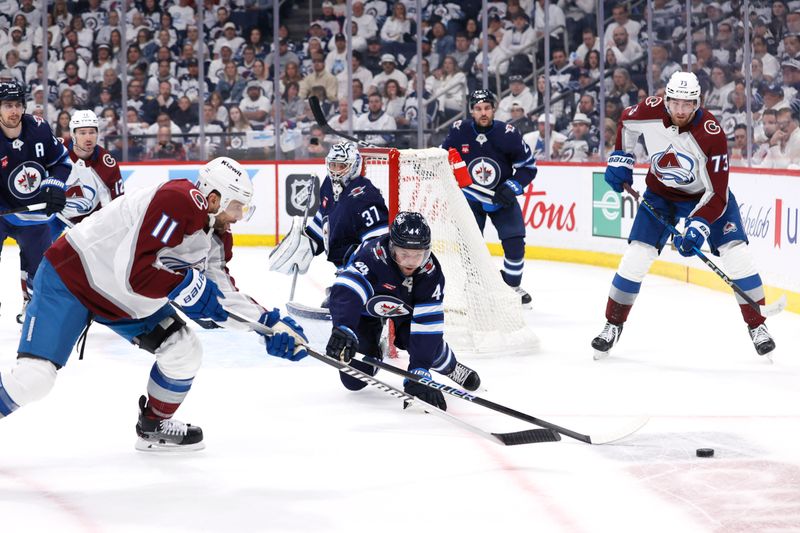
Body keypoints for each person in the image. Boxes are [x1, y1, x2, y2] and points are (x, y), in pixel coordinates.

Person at [0, 157, 309, 451]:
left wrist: (269, 325)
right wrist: (188, 289)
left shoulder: (216, 236)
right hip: (72, 277)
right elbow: (136, 273)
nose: (239, 216)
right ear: (213, 199)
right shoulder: (178, 200)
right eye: (236, 206)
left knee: (184, 349)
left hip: (122, 298)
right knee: (34, 379)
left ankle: (153, 426)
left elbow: (223, 296)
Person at [592, 71, 776, 358]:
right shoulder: (651, 109)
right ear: (666, 99)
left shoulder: (711, 134)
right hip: (661, 195)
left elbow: (717, 192)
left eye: (687, 104)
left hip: (706, 197)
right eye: (675, 102)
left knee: (736, 253)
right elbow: (626, 121)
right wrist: (621, 160)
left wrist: (697, 227)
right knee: (636, 256)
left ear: (697, 102)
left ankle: (757, 325)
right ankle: (612, 324)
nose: (680, 110)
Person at [324, 211, 481, 410]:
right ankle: (375, 350)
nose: (410, 262)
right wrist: (344, 327)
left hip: (406, 313)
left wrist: (420, 370)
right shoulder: (372, 255)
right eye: (404, 254)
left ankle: (450, 367)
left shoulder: (431, 272)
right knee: (353, 381)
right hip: (367, 312)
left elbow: (427, 325)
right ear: (392, 247)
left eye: (418, 255)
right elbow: (347, 289)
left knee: (423, 347)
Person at [440, 89, 538, 305]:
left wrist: (512, 186)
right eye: (478, 109)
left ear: (494, 109)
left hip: (501, 199)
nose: (483, 113)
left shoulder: (509, 134)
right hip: (471, 199)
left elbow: (528, 168)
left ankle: (512, 286)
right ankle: (475, 286)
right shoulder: (459, 131)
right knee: (470, 245)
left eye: (486, 108)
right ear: (471, 111)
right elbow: (442, 159)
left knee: (515, 243)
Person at [269, 142, 389, 305]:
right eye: (333, 165)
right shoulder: (328, 185)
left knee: (337, 308)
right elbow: (324, 215)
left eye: (342, 166)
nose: (336, 171)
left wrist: (357, 273)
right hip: (343, 270)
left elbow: (378, 243)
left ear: (354, 166)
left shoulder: (366, 196)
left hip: (366, 277)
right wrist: (310, 241)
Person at [0, 81, 71, 322]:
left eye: (18, 105)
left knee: (39, 269)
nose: (14, 111)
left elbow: (61, 161)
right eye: (8, 105)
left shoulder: (38, 128)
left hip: (33, 214)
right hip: (2, 211)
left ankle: (32, 306)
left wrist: (55, 185)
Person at [50, 110, 124, 236]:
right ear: (73, 134)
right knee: (40, 247)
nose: (88, 137)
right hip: (56, 215)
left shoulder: (106, 163)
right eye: (82, 133)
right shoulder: (56, 149)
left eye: (92, 132)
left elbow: (116, 205)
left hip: (90, 220)